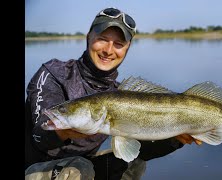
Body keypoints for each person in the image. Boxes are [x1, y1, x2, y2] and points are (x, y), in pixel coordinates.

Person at [25, 7, 201, 180]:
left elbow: (141, 148)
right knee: (78, 168)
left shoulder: (119, 95)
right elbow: (38, 135)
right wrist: (63, 133)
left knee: (131, 162)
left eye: (118, 44)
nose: (109, 50)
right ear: (88, 37)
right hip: (35, 167)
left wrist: (175, 139)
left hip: (84, 166)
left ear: (127, 48)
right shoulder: (54, 73)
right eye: (102, 39)